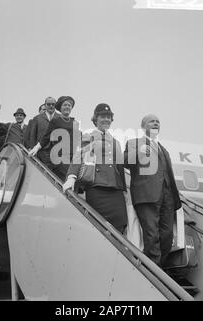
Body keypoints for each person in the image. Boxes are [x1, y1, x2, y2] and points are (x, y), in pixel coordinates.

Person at [124, 114, 181, 267]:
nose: (155, 123)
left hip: (167, 197)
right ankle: (153, 271)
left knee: (167, 235)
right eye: (151, 121)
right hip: (147, 196)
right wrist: (139, 152)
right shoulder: (134, 143)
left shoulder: (163, 149)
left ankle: (156, 267)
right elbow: (125, 162)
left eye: (157, 122)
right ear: (143, 127)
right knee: (151, 235)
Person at [63, 103, 128, 234]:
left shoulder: (116, 142)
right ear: (96, 119)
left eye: (109, 117)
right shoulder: (89, 136)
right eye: (103, 116)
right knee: (98, 226)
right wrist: (71, 177)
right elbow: (78, 156)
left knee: (120, 224)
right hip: (97, 187)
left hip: (115, 189)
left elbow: (120, 168)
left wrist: (124, 189)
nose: (106, 119)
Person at [29, 96, 80, 181]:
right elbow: (46, 137)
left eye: (69, 105)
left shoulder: (75, 123)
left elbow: (76, 141)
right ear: (60, 107)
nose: (67, 107)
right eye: (65, 105)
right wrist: (37, 147)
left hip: (72, 158)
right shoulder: (55, 121)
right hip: (59, 159)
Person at [25, 96, 57, 167]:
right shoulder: (37, 118)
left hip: (57, 152)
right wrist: (33, 149)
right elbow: (32, 136)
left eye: (53, 104)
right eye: (48, 104)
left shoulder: (60, 117)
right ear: (45, 105)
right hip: (42, 152)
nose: (51, 106)